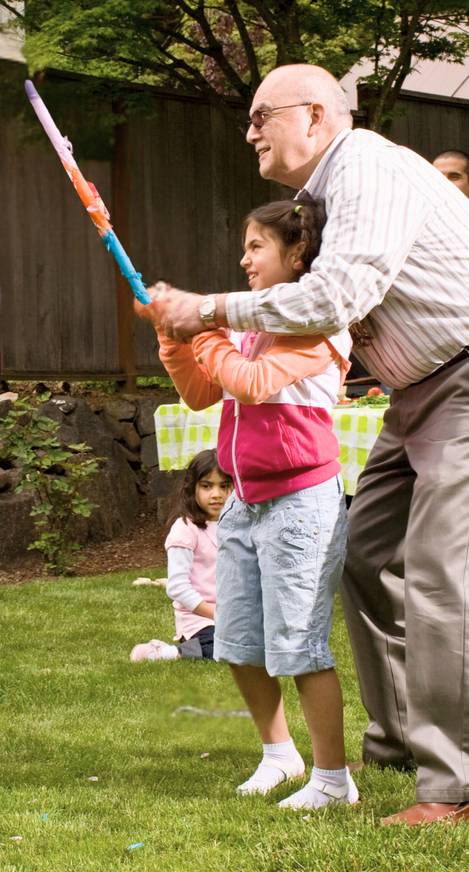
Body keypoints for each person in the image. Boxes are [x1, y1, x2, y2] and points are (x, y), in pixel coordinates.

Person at [147, 64, 469, 826]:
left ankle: (467, 779)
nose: (249, 132)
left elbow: (339, 297)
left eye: (260, 115)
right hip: (422, 389)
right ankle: (402, 739)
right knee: (368, 557)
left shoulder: (363, 162)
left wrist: (205, 308)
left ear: (313, 114)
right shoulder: (319, 198)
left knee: (439, 569)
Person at [145, 192, 356, 811]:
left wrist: (204, 326)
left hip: (302, 504)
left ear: (297, 254)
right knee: (238, 638)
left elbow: (253, 382)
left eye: (256, 246)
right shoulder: (245, 324)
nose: (244, 260)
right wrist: (173, 339)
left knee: (301, 645)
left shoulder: (323, 323)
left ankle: (333, 780)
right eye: (244, 247)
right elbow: (202, 393)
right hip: (246, 502)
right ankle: (278, 755)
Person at [130, 449, 231, 662]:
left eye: (224, 486)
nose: (216, 494)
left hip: (236, 616)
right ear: (192, 488)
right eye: (207, 486)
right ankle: (166, 652)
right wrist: (218, 615)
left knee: (257, 647)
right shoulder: (185, 529)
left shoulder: (238, 526)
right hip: (201, 620)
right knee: (224, 650)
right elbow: (178, 586)